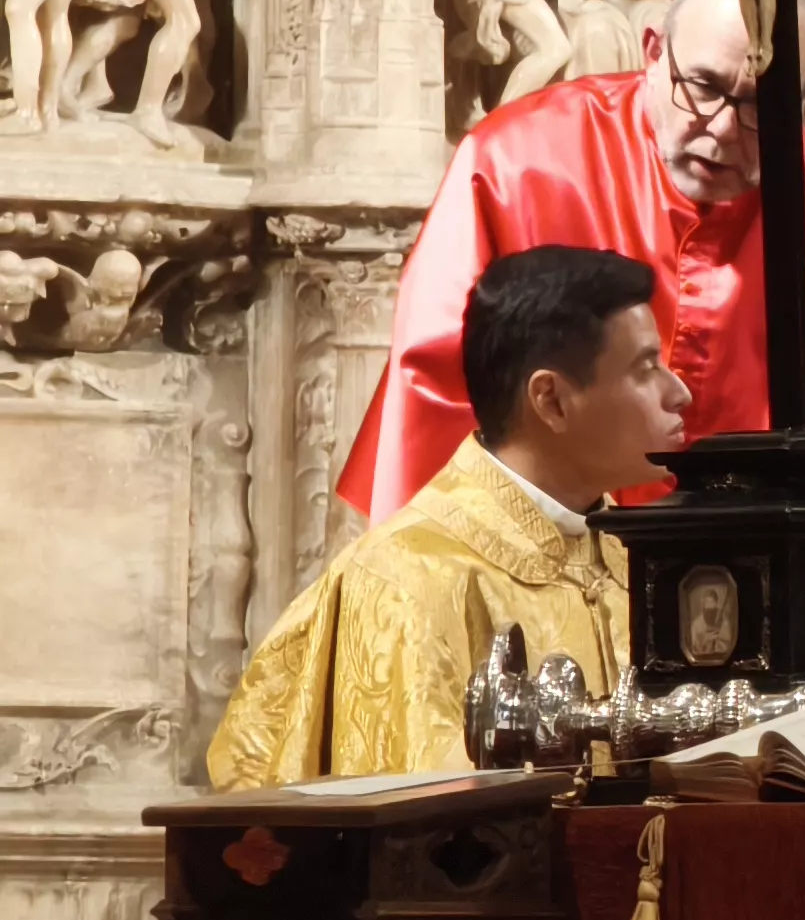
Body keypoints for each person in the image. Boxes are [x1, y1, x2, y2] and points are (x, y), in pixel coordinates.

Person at [337, 0, 805, 525]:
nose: (719, 129)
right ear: (653, 53)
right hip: (541, 576)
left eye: (758, 104)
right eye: (700, 85)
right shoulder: (514, 167)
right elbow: (430, 412)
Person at [209, 248, 688, 788]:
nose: (680, 394)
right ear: (551, 400)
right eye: (645, 369)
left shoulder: (636, 563)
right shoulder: (400, 585)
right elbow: (424, 832)